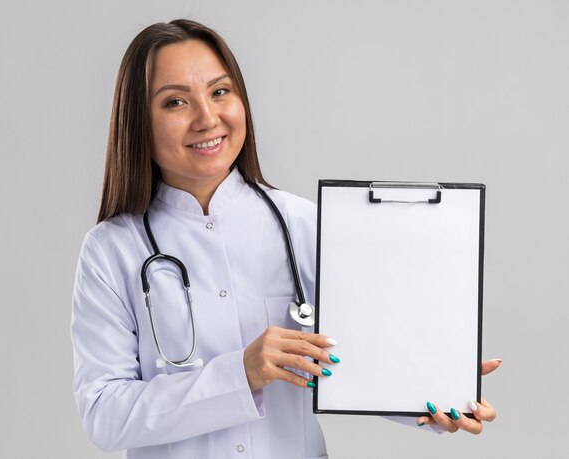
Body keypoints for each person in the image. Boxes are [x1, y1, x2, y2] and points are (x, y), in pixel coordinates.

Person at [71, 19, 499, 458]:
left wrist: (434, 391)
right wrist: (241, 372)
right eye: (176, 102)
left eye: (220, 92)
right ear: (139, 121)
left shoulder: (305, 225)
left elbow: (360, 356)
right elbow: (105, 415)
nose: (207, 118)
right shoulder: (112, 250)